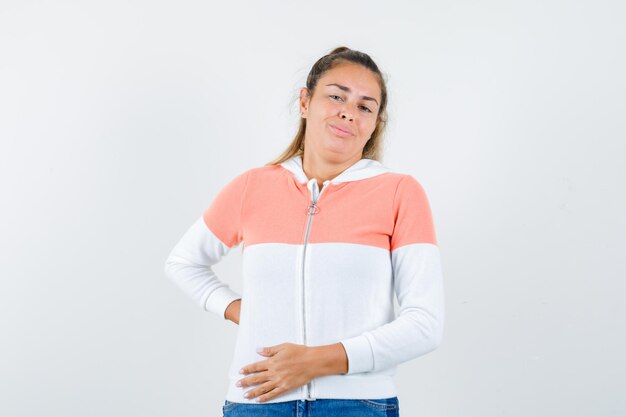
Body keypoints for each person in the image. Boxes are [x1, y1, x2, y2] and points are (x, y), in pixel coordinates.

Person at [164, 46, 445, 417]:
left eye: (365, 106)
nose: (348, 111)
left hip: (358, 405)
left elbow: (425, 324)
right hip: (257, 401)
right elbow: (183, 263)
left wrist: (321, 361)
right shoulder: (253, 187)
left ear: (376, 122)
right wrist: (243, 312)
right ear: (305, 101)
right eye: (336, 96)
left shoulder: (399, 192)